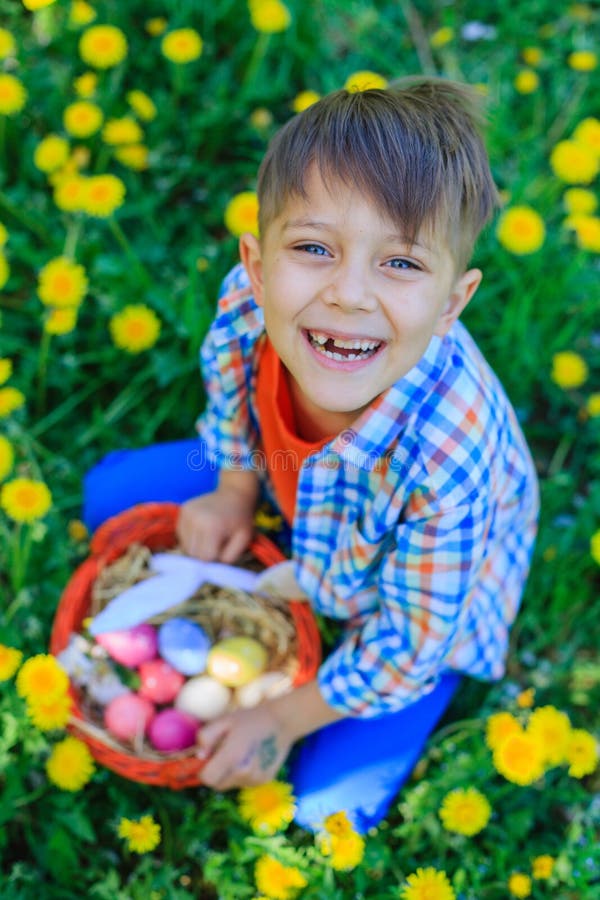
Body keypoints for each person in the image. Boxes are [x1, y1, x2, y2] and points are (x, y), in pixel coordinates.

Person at [84, 78, 539, 833]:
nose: (349, 294)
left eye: (400, 264)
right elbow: (229, 394)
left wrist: (290, 716)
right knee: (105, 495)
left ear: (452, 303)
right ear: (258, 268)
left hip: (416, 598)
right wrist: (232, 487)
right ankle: (267, 521)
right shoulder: (248, 304)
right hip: (288, 488)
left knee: (324, 813)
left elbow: (407, 643)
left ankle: (399, 695)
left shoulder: (450, 460)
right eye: (314, 248)